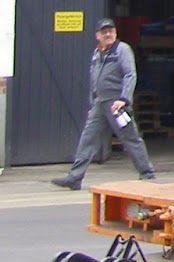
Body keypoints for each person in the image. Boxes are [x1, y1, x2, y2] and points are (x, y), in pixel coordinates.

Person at [51, 18, 156, 189]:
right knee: (88, 139)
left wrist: (124, 99)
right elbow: (94, 77)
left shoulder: (122, 50)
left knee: (130, 138)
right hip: (100, 105)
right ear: (97, 36)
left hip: (117, 105)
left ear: (115, 33)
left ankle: (147, 174)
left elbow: (130, 74)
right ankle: (74, 177)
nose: (108, 34)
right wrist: (93, 101)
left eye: (111, 31)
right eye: (104, 32)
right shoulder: (97, 53)